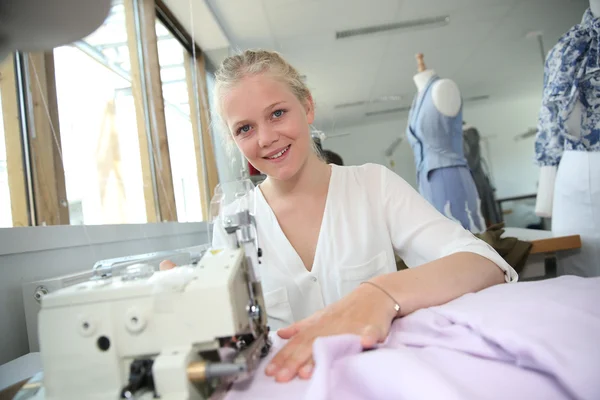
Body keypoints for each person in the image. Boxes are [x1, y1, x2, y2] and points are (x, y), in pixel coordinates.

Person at [162, 49, 518, 384]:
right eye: (245, 128)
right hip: (286, 387)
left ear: (307, 106)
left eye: (277, 113)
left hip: (381, 381)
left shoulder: (373, 185)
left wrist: (379, 295)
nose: (267, 138)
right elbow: (226, 332)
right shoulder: (233, 221)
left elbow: (486, 265)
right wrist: (186, 301)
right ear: (233, 140)